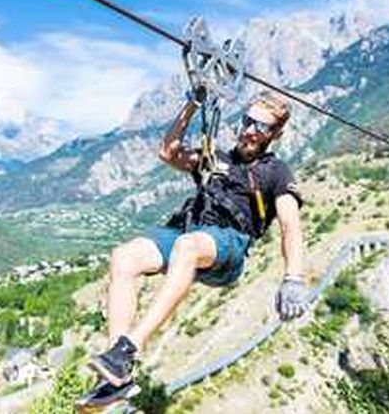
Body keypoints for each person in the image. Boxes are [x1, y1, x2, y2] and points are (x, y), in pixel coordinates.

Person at [88, 88, 309, 395]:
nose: (250, 131)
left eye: (262, 127)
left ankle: (129, 349)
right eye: (249, 121)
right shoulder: (213, 157)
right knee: (125, 257)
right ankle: (115, 372)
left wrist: (293, 277)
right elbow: (168, 152)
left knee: (187, 246)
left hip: (229, 243)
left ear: (276, 134)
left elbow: (290, 225)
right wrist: (192, 104)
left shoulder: (277, 171)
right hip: (191, 231)